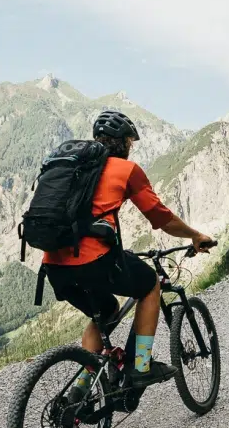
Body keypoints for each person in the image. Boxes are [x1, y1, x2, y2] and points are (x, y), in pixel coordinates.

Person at [42, 110, 214, 389]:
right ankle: (141, 365)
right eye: (130, 143)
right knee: (148, 285)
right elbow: (162, 218)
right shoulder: (125, 170)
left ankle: (81, 387)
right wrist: (196, 235)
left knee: (106, 310)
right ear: (122, 143)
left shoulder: (74, 169)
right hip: (93, 260)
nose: (131, 148)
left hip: (54, 264)